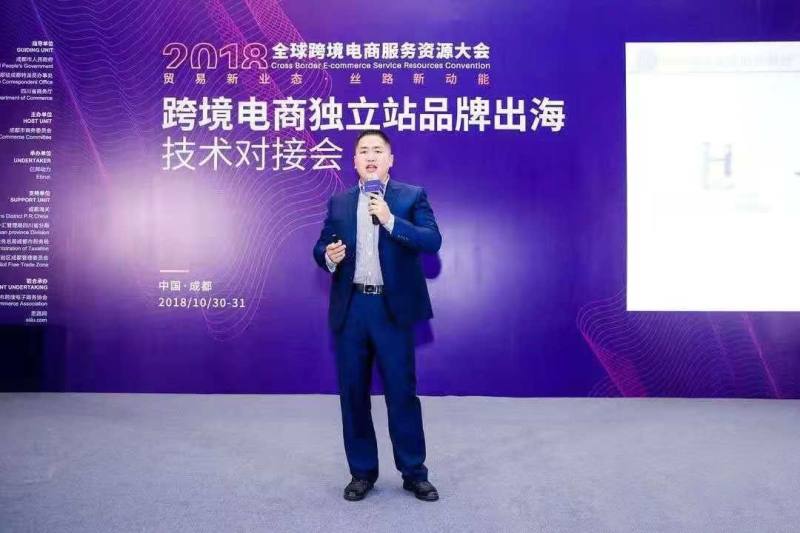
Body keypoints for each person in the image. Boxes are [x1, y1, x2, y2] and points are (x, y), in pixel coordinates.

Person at [313, 130, 442, 502]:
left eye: (377, 150)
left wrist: (390, 220)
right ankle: (362, 473)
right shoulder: (339, 202)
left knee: (401, 394)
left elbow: (432, 240)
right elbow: (321, 245)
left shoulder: (411, 196)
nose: (370, 156)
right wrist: (328, 256)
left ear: (390, 159)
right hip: (352, 308)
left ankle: (414, 472)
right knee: (353, 394)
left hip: (391, 309)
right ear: (354, 162)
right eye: (363, 151)